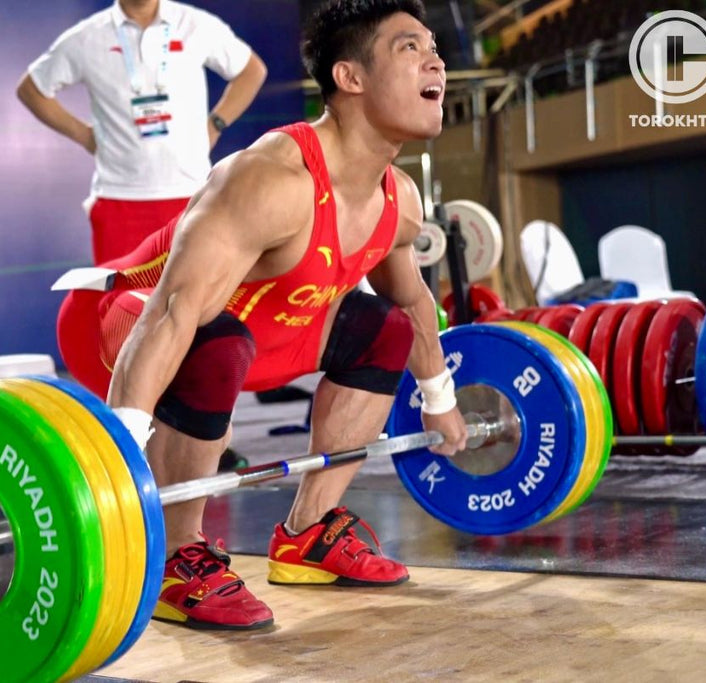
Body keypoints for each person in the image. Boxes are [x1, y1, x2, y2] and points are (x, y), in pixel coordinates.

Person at [55, 0, 468, 630]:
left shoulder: (399, 199)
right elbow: (173, 311)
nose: (435, 58)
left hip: (267, 331)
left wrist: (440, 396)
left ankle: (308, 535)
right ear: (349, 77)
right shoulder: (271, 178)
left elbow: (411, 302)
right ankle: (175, 556)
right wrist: (122, 453)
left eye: (433, 45)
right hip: (127, 319)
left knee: (383, 329)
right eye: (410, 47)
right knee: (214, 340)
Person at [17, 0, 268, 263]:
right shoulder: (88, 36)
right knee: (120, 302)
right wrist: (84, 135)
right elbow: (32, 89)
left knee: (191, 301)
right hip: (120, 198)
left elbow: (251, 70)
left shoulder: (193, 24)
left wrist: (216, 123)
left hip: (190, 194)